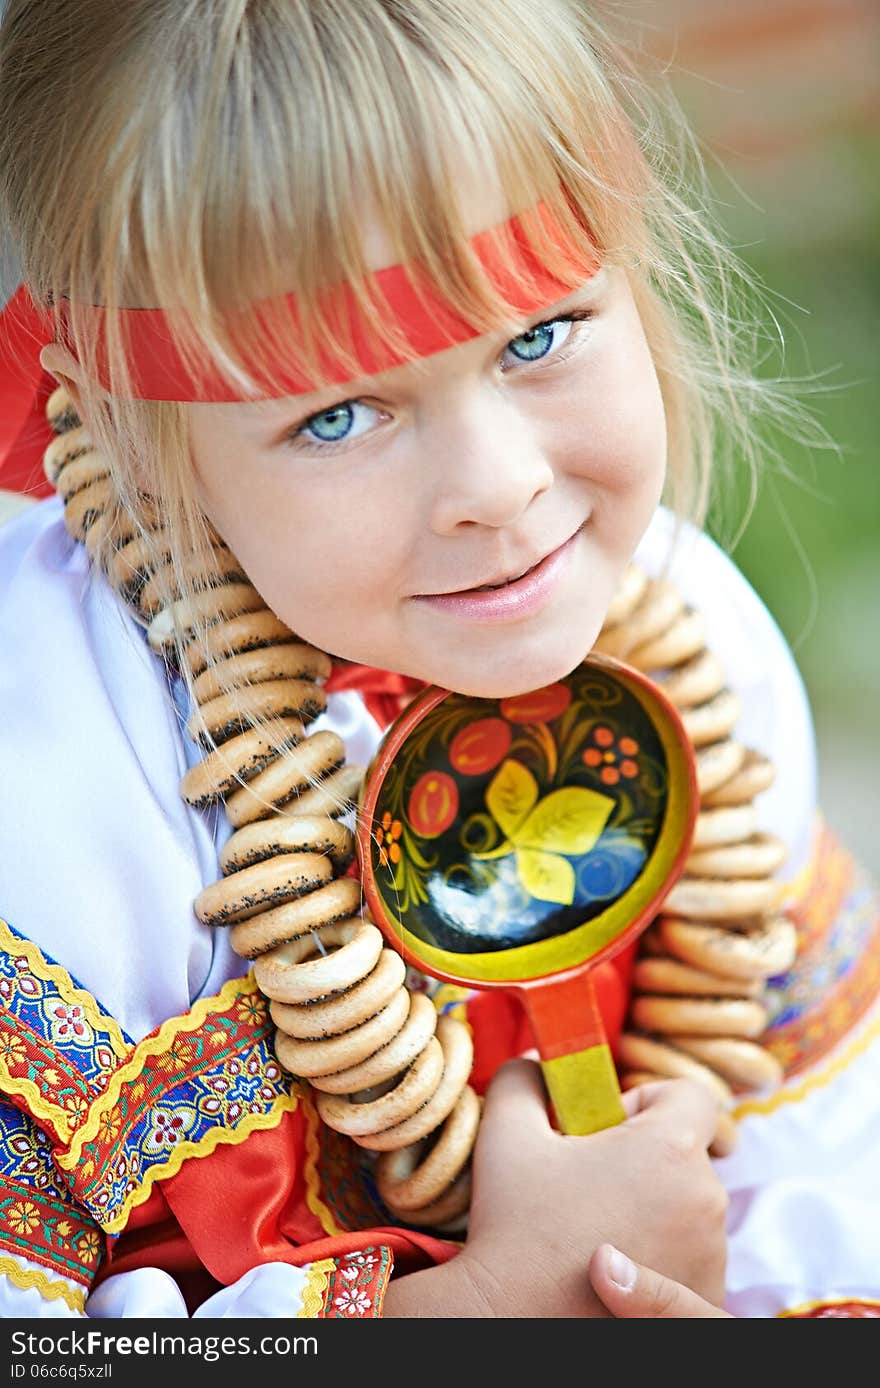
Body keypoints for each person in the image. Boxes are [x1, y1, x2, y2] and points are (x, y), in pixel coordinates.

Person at [0, 0, 876, 1320]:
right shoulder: (54, 800)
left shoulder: (696, 633)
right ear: (133, 437)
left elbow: (832, 1166)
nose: (500, 490)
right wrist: (482, 1314)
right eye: (339, 414)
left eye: (537, 336)